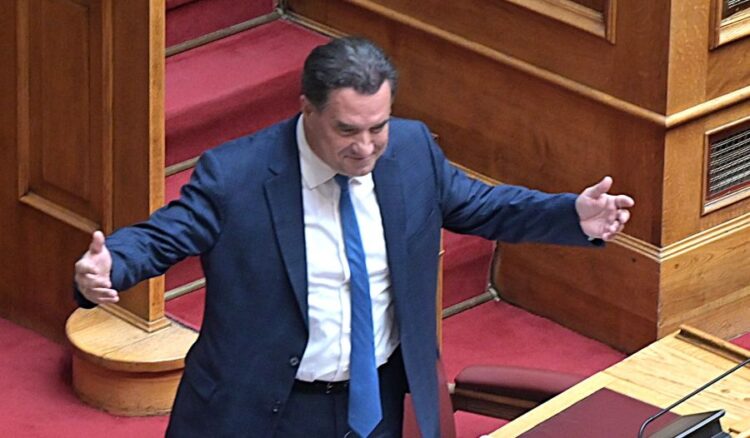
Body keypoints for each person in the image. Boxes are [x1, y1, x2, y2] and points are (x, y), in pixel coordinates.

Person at [74, 36, 634, 437]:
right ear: (307, 110)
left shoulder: (411, 151)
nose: (366, 148)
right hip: (264, 409)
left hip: (379, 400)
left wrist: (571, 215)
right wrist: (110, 265)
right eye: (347, 130)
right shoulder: (237, 175)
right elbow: (164, 237)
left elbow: (481, 206)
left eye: (377, 127)